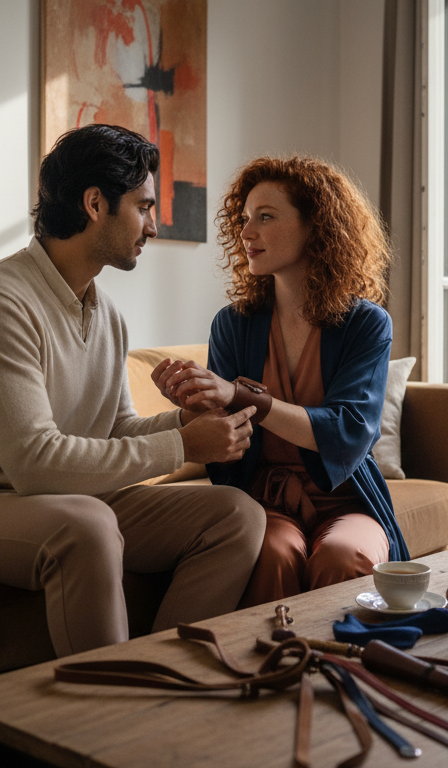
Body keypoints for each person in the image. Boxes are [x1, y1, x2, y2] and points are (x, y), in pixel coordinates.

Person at [0, 124, 266, 657]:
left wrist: (185, 423)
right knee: (88, 526)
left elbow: (115, 428)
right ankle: (113, 717)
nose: (154, 226)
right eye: (143, 207)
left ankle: (164, 676)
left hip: (72, 499)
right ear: (95, 203)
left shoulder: (106, 313)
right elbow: (34, 463)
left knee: (237, 515)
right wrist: (185, 447)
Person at [153, 155, 410, 606]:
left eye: (265, 217)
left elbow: (350, 432)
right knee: (272, 552)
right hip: (263, 498)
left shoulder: (367, 324)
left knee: (344, 555)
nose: (246, 232)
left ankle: (340, 671)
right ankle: (271, 672)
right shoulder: (232, 325)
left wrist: (241, 395)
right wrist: (193, 404)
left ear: (317, 226)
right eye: (245, 219)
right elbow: (222, 441)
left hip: (347, 498)